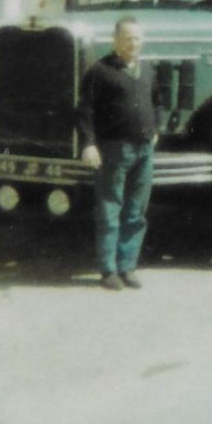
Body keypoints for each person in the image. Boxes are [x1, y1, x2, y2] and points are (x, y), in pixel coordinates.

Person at [76, 17, 162, 290]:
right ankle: (108, 269)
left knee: (136, 211)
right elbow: (85, 111)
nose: (132, 43)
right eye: (127, 38)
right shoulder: (100, 71)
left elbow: (158, 101)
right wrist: (88, 144)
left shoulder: (147, 70)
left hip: (144, 150)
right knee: (110, 209)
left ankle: (128, 266)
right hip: (114, 149)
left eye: (137, 38)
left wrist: (155, 128)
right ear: (115, 40)